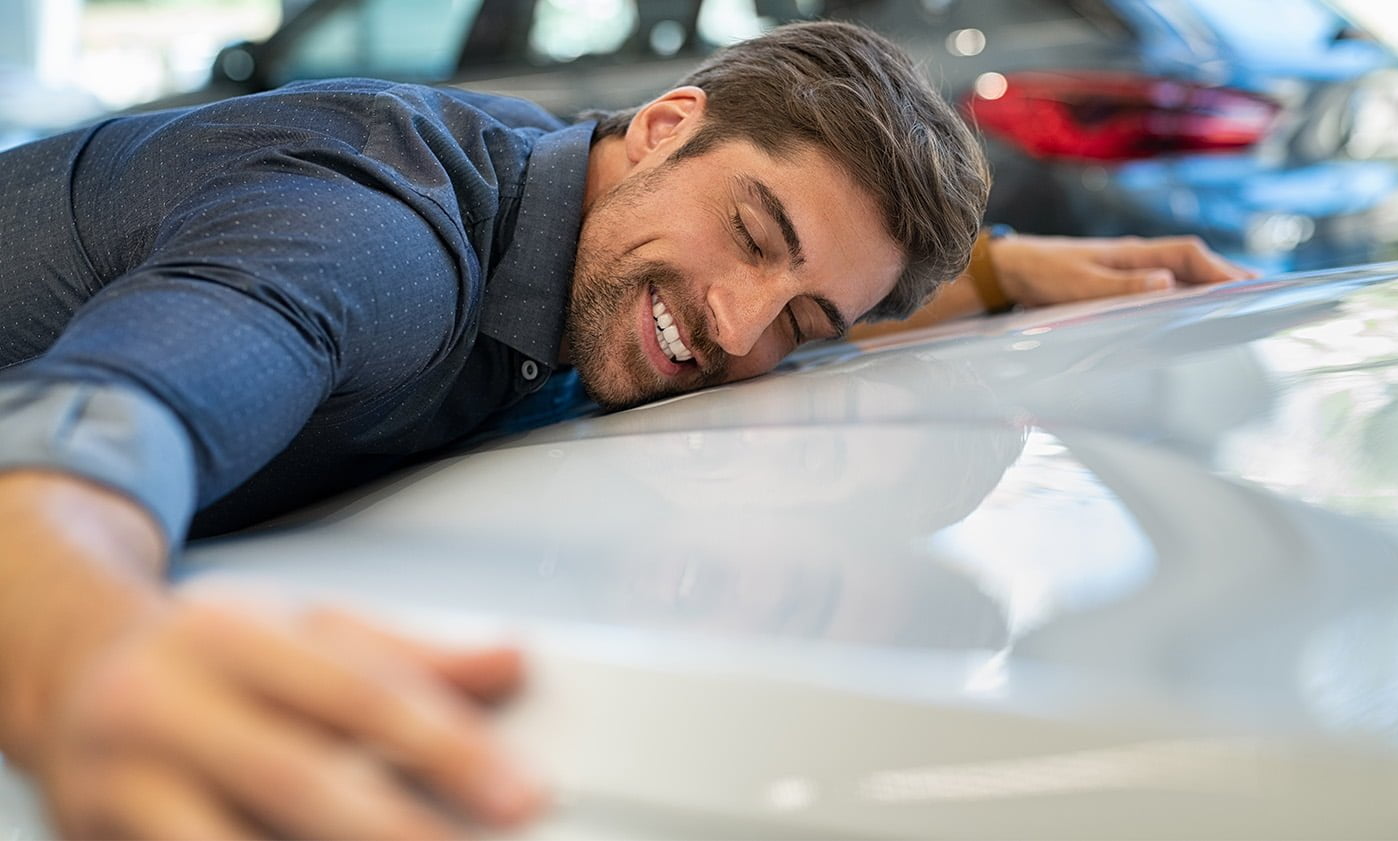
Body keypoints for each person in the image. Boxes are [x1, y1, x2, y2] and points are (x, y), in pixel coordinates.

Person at [0, 20, 1248, 839]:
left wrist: (1004, 273)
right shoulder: (380, 237)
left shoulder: (591, 221)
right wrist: (83, 651)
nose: (736, 322)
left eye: (803, 315)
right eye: (755, 235)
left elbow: (764, 300)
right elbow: (88, 434)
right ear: (664, 124)